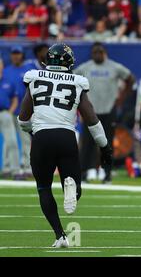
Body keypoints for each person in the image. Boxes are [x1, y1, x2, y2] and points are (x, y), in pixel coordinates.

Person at [17, 43, 112, 248]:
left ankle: (60, 235)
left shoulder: (34, 77)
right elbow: (91, 119)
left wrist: (33, 131)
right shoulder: (77, 81)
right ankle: (71, 187)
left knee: (43, 188)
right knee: (75, 188)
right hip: (66, 137)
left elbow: (23, 119)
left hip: (42, 138)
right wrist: (104, 147)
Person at [74, 42, 135, 184]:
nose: (97, 54)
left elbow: (130, 78)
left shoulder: (114, 66)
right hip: (90, 111)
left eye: (100, 52)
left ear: (104, 53)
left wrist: (121, 98)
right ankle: (84, 173)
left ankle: (106, 173)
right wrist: (79, 100)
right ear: (91, 53)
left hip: (109, 109)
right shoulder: (85, 67)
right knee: (87, 142)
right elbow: (72, 80)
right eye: (94, 52)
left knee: (107, 143)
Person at [3, 46, 34, 178]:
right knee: (8, 141)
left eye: (18, 53)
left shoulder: (29, 70)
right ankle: (7, 167)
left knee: (25, 139)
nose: (16, 56)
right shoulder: (5, 71)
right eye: (14, 53)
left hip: (25, 111)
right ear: (10, 55)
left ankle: (27, 166)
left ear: (22, 55)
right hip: (10, 111)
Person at [0, 59, 20, 177]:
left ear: (2, 66)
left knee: (11, 142)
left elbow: (15, 99)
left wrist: (10, 112)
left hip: (5, 113)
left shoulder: (8, 81)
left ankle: (15, 171)